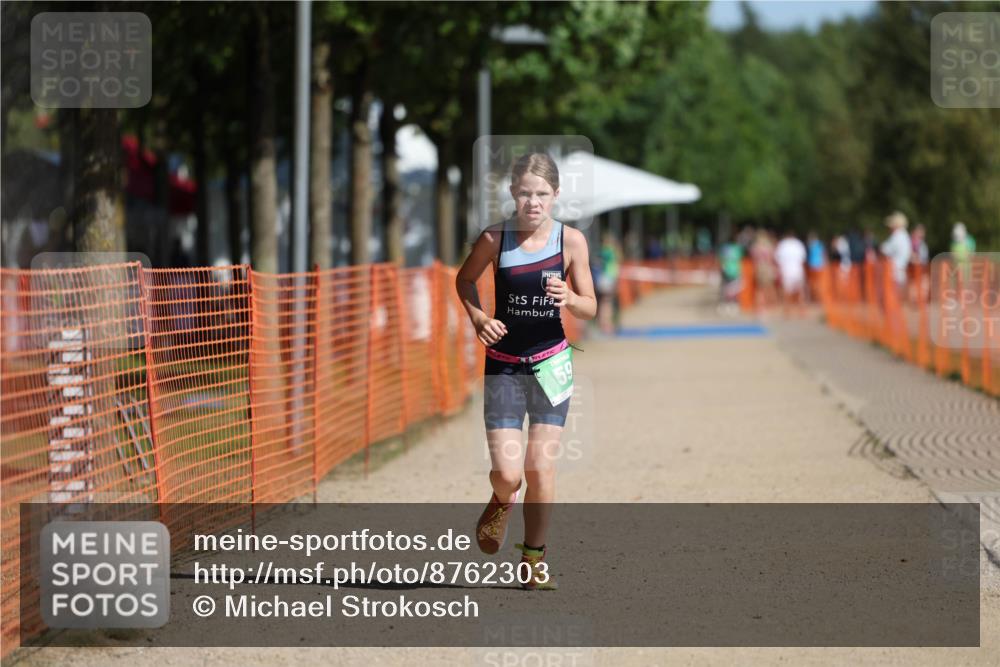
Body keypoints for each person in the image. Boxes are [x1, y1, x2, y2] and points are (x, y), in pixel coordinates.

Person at [455, 152, 597, 591]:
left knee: (541, 468)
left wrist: (570, 299)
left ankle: (533, 559)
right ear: (513, 194)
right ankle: (501, 499)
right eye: (524, 193)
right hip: (504, 367)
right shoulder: (495, 238)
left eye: (541, 194)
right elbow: (464, 280)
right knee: (510, 474)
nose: (532, 202)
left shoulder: (570, 242)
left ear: (555, 195)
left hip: (552, 366)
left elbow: (590, 306)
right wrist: (479, 318)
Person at [774, 229, 807, 316]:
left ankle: (787, 310)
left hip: (786, 271)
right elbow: (803, 259)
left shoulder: (782, 244)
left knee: (786, 291)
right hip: (798, 270)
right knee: (800, 291)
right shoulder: (798, 244)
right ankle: (802, 310)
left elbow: (777, 259)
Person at [879, 211, 912, 293]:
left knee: (891, 298)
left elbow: (884, 250)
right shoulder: (905, 236)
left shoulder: (897, 235)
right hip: (900, 272)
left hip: (893, 273)